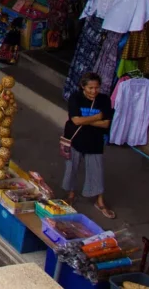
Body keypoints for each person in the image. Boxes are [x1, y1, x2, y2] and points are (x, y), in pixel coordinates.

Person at [62, 72, 115, 219]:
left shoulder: (104, 100)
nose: (94, 91)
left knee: (97, 172)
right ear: (83, 87)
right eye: (90, 88)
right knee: (71, 168)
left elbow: (106, 124)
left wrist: (85, 119)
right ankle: (71, 195)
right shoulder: (75, 98)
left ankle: (100, 201)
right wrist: (97, 117)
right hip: (75, 139)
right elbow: (76, 121)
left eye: (96, 88)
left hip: (95, 141)